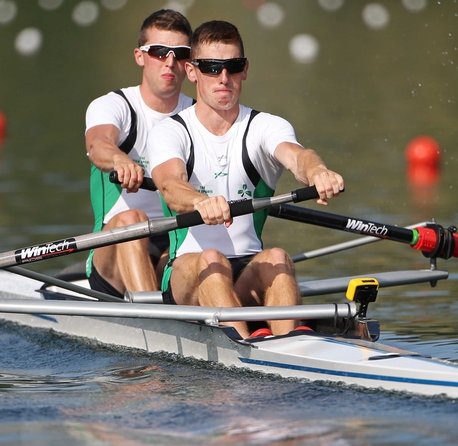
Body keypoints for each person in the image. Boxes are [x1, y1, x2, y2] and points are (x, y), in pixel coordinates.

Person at [147, 20, 344, 338]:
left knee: (278, 257)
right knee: (211, 259)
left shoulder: (266, 126)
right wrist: (200, 202)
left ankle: (288, 350)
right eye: (212, 67)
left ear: (245, 69)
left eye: (233, 66)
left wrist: (318, 172)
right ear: (192, 71)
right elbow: (170, 185)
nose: (224, 78)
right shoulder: (170, 131)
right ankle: (243, 361)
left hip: (246, 270)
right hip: (187, 272)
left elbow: (297, 156)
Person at [84, 10, 194, 297]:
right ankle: (157, 319)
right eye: (159, 51)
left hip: (171, 241)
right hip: (114, 248)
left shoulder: (198, 116)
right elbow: (98, 144)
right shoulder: (114, 105)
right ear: (139, 56)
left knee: (204, 245)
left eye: (179, 53)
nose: (170, 62)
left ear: (189, 63)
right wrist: (120, 160)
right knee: (133, 218)